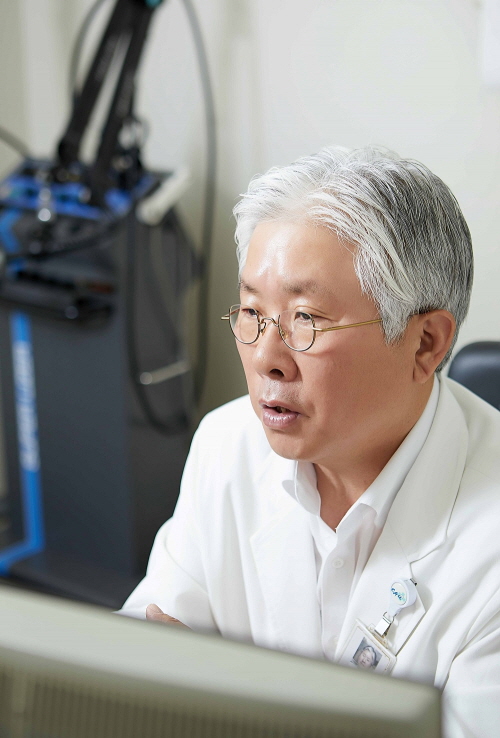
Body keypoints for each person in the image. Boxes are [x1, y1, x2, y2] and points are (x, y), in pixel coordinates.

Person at [120, 146, 500, 738]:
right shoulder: (227, 444)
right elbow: (143, 655)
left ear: (426, 343)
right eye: (251, 311)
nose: (266, 358)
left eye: (307, 319)